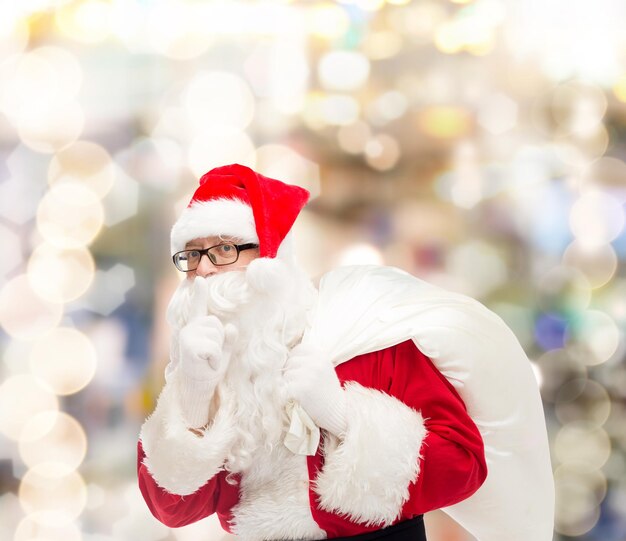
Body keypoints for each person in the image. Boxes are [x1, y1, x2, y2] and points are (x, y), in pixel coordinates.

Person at [137, 164, 554, 541]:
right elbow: (173, 510)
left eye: (225, 249)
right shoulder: (206, 365)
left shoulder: (365, 334)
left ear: (271, 258)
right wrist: (191, 399)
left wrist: (343, 415)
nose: (205, 269)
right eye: (192, 255)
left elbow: (462, 468)